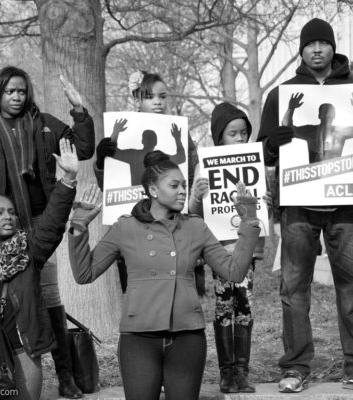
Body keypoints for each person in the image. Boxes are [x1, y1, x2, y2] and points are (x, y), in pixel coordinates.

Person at [67, 150, 260, 400]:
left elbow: (234, 272)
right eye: (174, 185)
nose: (182, 191)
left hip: (187, 337)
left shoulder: (195, 227)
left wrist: (249, 221)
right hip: (139, 338)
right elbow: (84, 273)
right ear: (153, 190)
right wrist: (79, 226)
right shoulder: (125, 228)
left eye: (184, 185)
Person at [0, 66, 95, 398]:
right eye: (9, 91)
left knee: (46, 298)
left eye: (21, 91)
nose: (16, 97)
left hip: (36, 227)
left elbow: (83, 149)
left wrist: (78, 110)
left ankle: (64, 374)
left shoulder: (44, 125)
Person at [257, 18, 353, 392]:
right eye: (310, 43)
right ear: (301, 50)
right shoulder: (283, 94)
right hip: (297, 206)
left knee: (351, 285)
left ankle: (352, 365)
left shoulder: (350, 88)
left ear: (333, 48)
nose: (317, 49)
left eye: (323, 43)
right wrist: (276, 136)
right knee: (294, 288)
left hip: (346, 207)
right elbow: (263, 149)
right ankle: (295, 367)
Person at [0, 139, 79, 400]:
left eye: (11, 212)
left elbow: (53, 222)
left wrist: (68, 178)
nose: (9, 216)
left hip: (24, 349)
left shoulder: (30, 248)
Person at [93, 70, 201, 294]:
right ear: (138, 99)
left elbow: (189, 169)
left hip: (170, 224)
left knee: (173, 284)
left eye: (162, 96)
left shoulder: (180, 134)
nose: (158, 102)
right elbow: (109, 183)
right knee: (139, 288)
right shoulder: (129, 149)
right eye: (150, 97)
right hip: (135, 222)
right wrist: (103, 156)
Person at [189, 102, 263, 394]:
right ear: (219, 136)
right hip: (218, 249)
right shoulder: (203, 166)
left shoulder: (251, 163)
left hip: (246, 249)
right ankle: (226, 373)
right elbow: (194, 211)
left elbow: (261, 210)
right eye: (233, 133)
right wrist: (197, 196)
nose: (240, 139)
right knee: (223, 309)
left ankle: (242, 372)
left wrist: (263, 206)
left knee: (244, 307)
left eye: (244, 133)